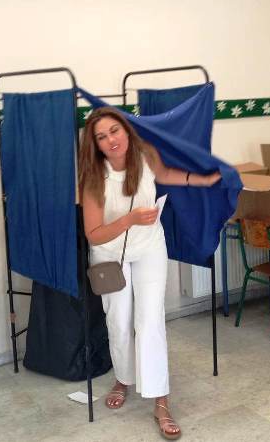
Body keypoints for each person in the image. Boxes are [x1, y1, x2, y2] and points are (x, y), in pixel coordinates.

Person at [78, 106, 220, 440]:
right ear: (95, 145)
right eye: (102, 136)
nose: (111, 140)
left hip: (149, 247)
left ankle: (161, 400)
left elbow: (166, 174)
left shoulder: (145, 155)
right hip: (109, 255)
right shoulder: (93, 178)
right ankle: (123, 379)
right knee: (118, 321)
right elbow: (94, 235)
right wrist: (129, 220)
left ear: (126, 130)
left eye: (115, 130)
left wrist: (201, 180)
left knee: (151, 322)